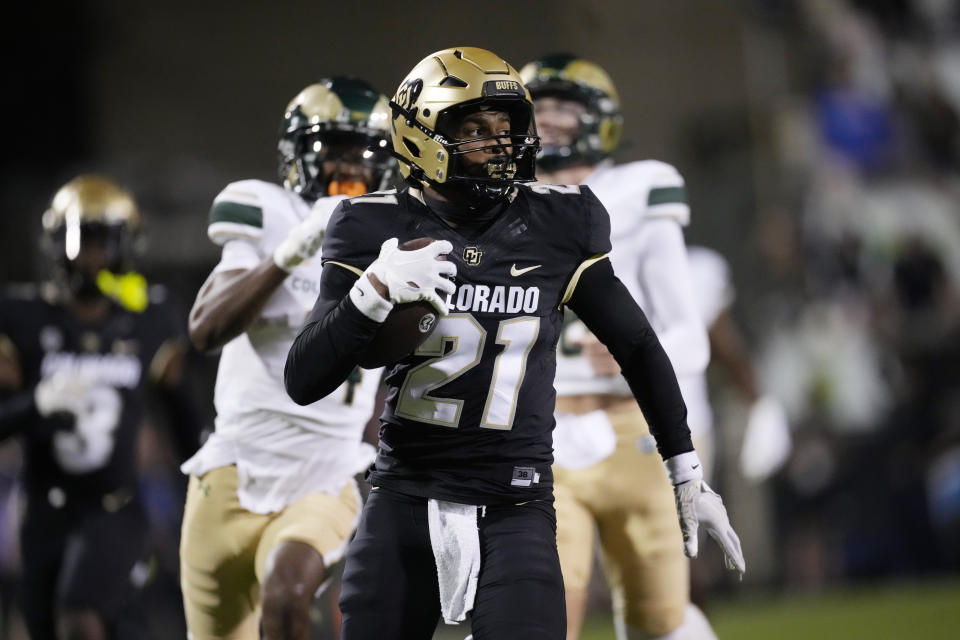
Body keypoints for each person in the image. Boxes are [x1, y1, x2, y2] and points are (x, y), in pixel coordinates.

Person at [284, 47, 745, 640]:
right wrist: (371, 292)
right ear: (423, 134)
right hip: (404, 498)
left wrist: (684, 468)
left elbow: (637, 344)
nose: (498, 144)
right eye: (475, 129)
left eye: (506, 129)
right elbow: (304, 379)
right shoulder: (371, 226)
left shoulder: (559, 222)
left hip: (515, 502)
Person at [179, 77, 395, 640]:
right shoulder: (267, 211)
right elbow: (204, 329)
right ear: (297, 154)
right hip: (232, 466)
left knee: (288, 589)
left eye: (366, 152)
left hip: (326, 469)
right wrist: (289, 251)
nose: (350, 165)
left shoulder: (398, 237)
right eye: (334, 148)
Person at [520, 54, 722, 640]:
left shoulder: (641, 187)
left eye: (565, 105)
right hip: (542, 433)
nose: (550, 119)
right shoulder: (505, 199)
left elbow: (690, 335)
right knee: (545, 614)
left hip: (634, 429)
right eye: (540, 106)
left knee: (658, 621)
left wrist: (641, 349)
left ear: (599, 118)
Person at [0, 175, 202, 639]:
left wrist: (209, 489)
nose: (90, 256)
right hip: (42, 513)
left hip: (115, 509)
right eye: (80, 241)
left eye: (101, 242)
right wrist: (36, 402)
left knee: (80, 618)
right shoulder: (22, 317)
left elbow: (184, 418)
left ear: (126, 246)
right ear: (55, 244)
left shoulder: (150, 319)